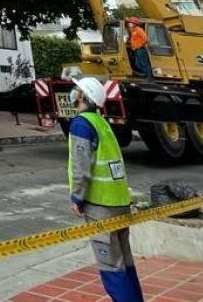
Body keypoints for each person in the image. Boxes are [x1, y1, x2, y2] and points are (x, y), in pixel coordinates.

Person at [68, 77, 143, 301]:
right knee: (125, 264)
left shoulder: (81, 124)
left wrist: (77, 198)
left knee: (111, 266)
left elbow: (81, 167)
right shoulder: (102, 123)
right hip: (120, 203)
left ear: (83, 96)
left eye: (77, 89)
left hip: (100, 207)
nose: (74, 92)